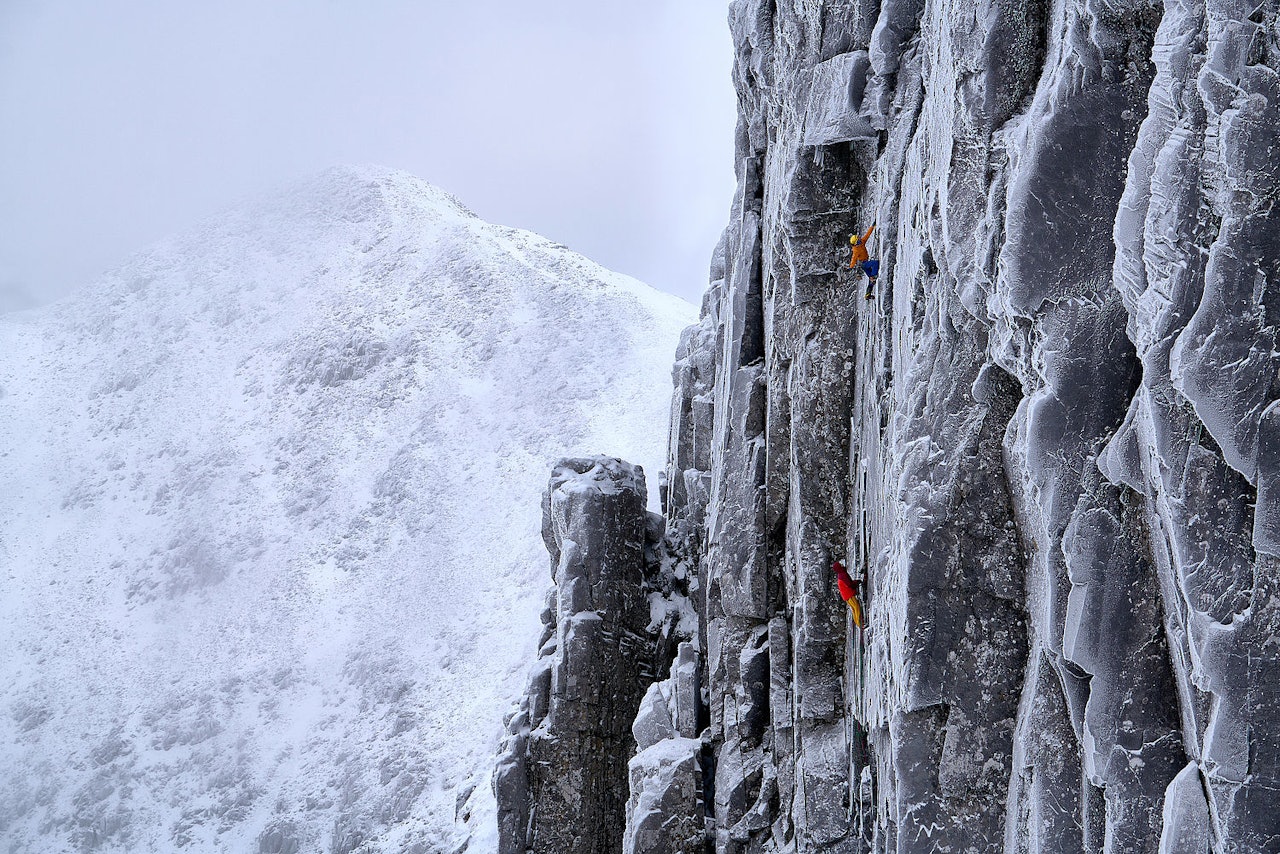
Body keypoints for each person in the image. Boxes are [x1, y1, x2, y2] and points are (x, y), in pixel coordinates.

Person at [832, 560, 865, 630]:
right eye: (840, 564)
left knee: (854, 608)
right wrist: (857, 582)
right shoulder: (842, 575)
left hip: (846, 595)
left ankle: (858, 623)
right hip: (849, 595)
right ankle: (861, 623)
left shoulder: (841, 574)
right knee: (856, 607)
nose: (842, 564)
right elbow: (849, 584)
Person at [848, 225, 879, 299]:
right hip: (864, 264)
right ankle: (874, 276)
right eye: (858, 240)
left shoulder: (862, 242)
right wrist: (851, 267)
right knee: (875, 263)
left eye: (859, 238)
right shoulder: (856, 250)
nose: (859, 240)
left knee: (871, 279)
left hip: (865, 263)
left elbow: (867, 235)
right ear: (855, 243)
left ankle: (867, 294)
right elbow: (854, 259)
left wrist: (872, 226)